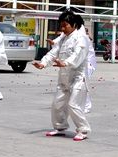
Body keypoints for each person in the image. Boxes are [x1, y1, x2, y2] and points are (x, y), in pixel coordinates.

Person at [34, 10, 91, 141]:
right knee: (57, 104)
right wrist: (43, 63)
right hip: (64, 77)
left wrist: (65, 63)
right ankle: (60, 127)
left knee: (73, 104)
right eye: (62, 25)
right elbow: (53, 53)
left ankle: (83, 129)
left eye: (66, 25)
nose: (63, 28)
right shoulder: (63, 39)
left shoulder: (81, 38)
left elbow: (77, 56)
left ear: (74, 25)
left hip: (78, 77)